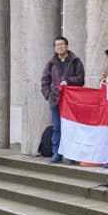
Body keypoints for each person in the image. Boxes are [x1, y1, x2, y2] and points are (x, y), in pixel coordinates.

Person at [41, 36, 85, 164]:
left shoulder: (76, 61)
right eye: (57, 45)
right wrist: (48, 95)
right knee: (57, 127)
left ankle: (71, 155)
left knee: (71, 128)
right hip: (56, 100)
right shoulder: (51, 63)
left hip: (71, 100)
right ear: (55, 48)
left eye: (62, 44)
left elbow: (81, 79)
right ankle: (57, 153)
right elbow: (45, 81)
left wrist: (69, 81)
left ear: (67, 46)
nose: (60, 47)